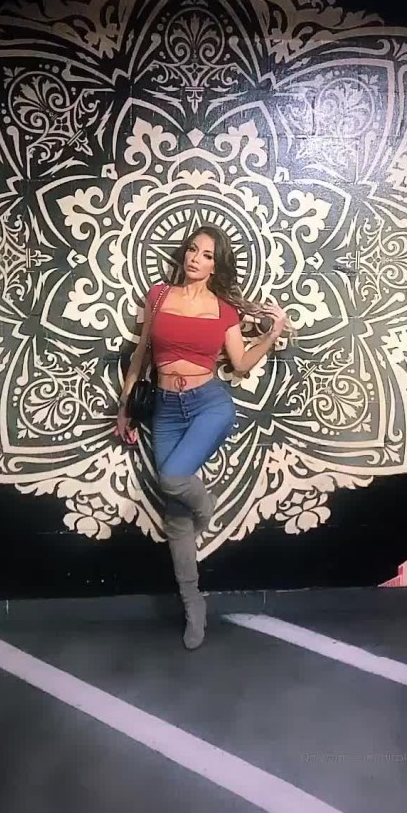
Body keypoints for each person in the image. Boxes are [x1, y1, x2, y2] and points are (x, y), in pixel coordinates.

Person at [116, 224, 288, 650]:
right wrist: (124, 407)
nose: (196, 258)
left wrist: (272, 333)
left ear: (216, 265)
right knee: (176, 518)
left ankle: (206, 506)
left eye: (207, 255)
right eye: (193, 250)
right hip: (165, 409)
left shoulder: (224, 310)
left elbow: (240, 364)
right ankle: (194, 604)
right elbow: (140, 355)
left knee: (173, 479)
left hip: (209, 404)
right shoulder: (158, 296)